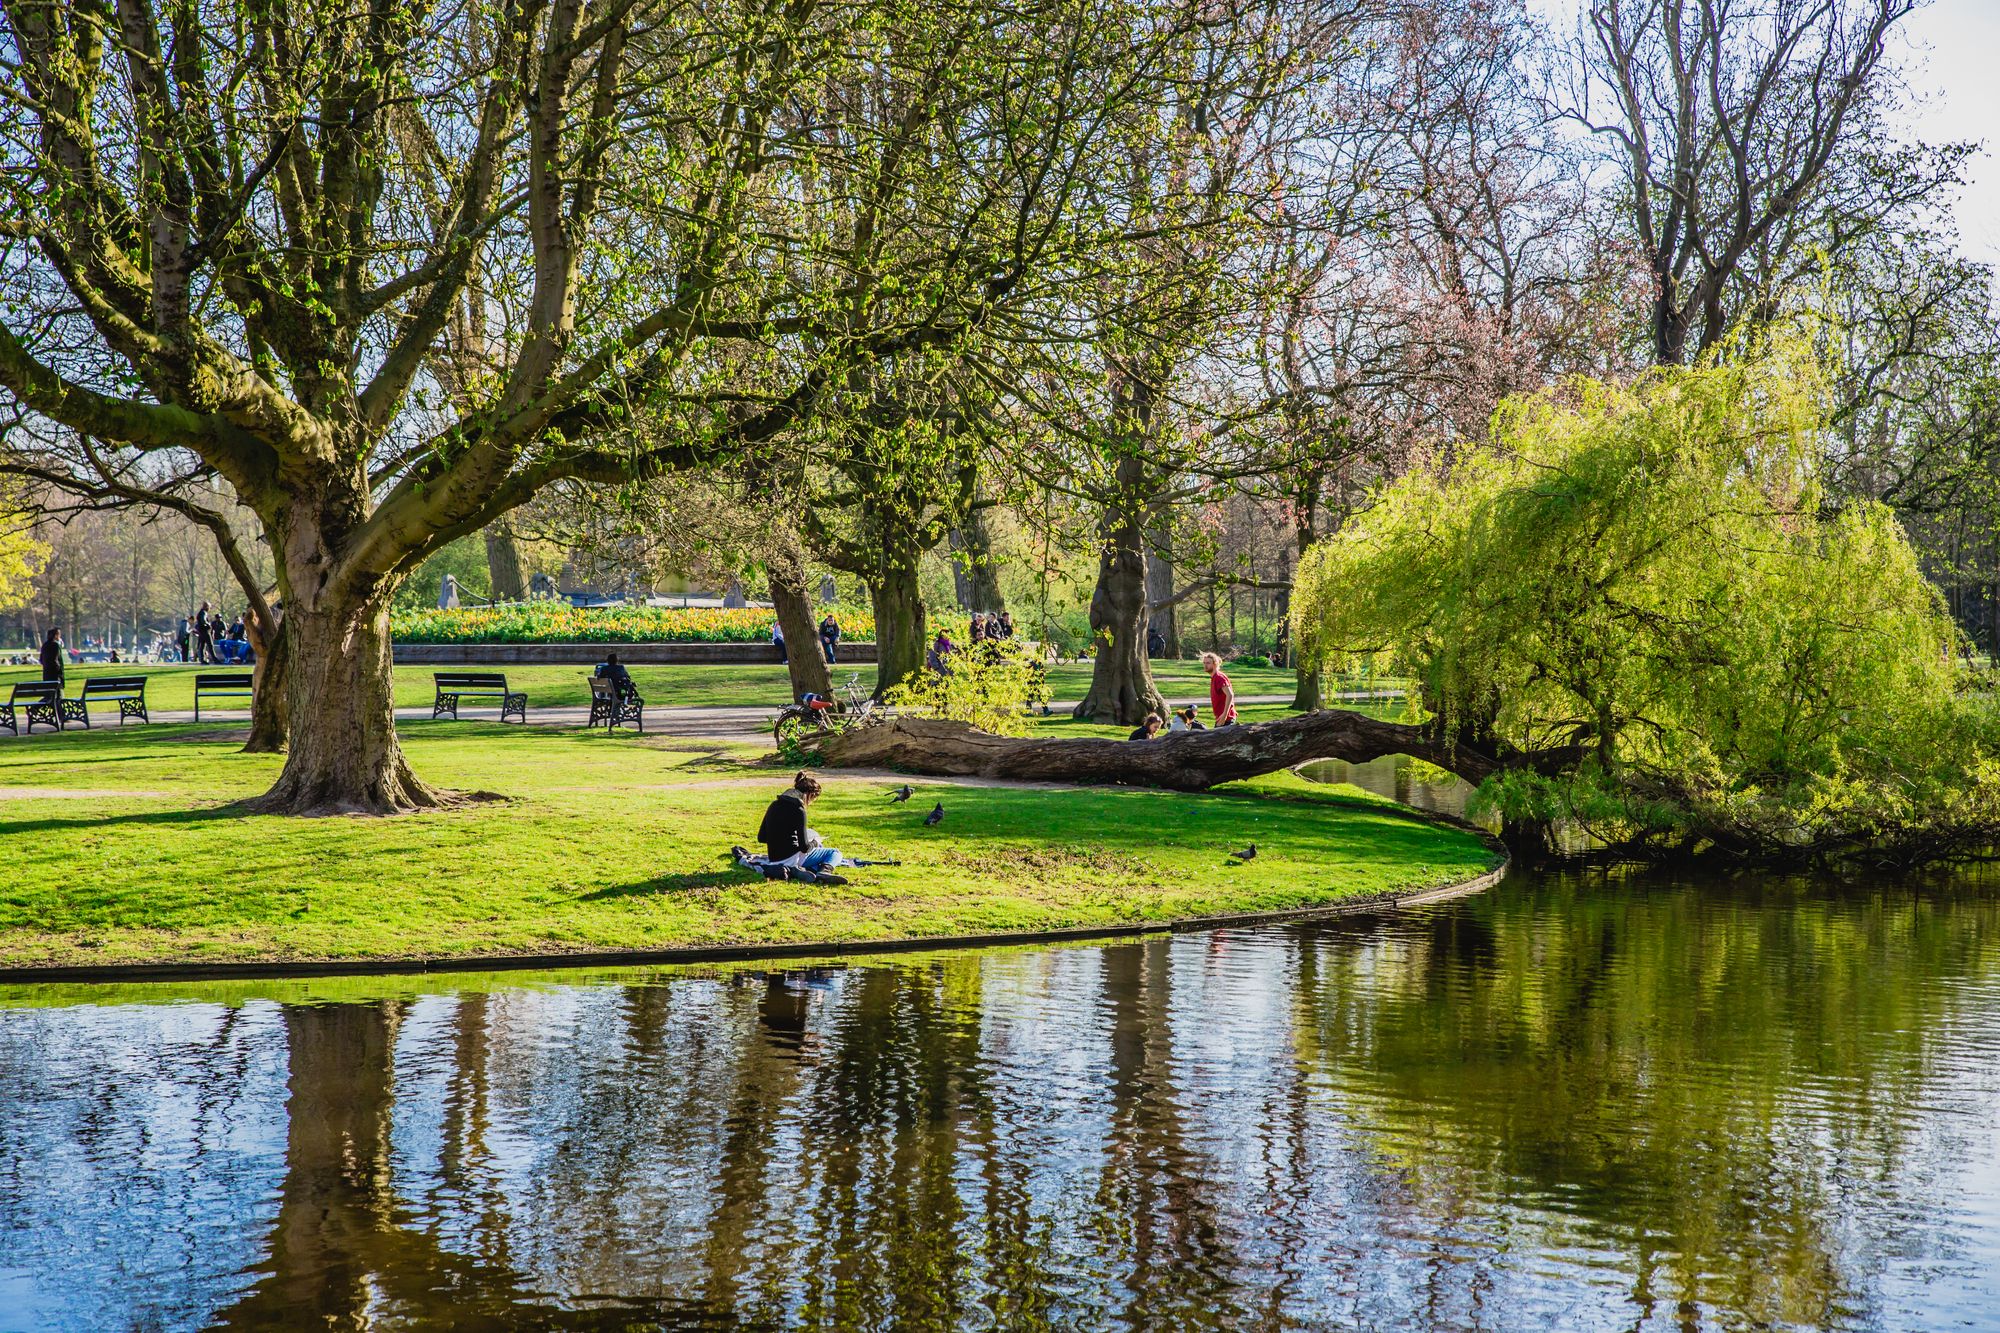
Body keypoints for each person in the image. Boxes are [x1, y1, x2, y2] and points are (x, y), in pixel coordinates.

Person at [756, 771, 848, 885]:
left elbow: (761, 838)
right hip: (792, 857)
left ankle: (798, 870)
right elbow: (804, 848)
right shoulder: (799, 810)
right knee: (834, 852)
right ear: (809, 795)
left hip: (774, 858)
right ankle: (824, 871)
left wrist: (784, 837)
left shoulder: (774, 805)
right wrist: (815, 842)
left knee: (811, 832)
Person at [1202, 650, 1238, 726]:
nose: (1205, 665)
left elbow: (1230, 695)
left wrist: (1224, 716)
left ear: (1215, 664)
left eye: (1208, 663)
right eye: (1204, 663)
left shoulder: (1219, 677)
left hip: (1226, 719)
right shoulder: (1214, 677)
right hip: (1221, 718)